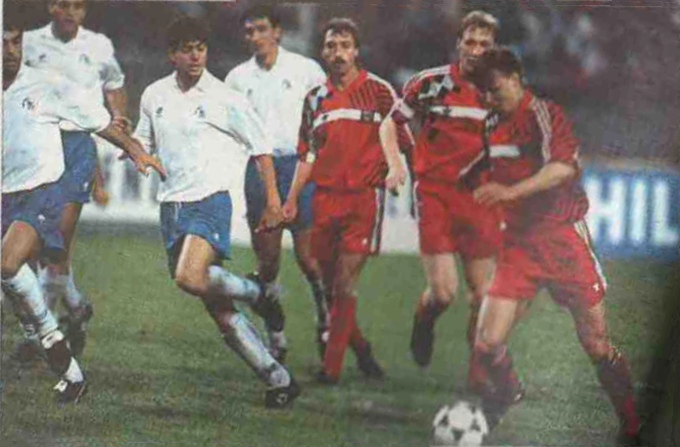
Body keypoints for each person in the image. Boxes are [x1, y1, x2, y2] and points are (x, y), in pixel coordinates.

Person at [468, 47, 640, 445]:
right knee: (487, 343)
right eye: (484, 92)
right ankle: (509, 390)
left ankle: (632, 425)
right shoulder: (491, 123)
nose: (490, 98)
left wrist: (510, 191)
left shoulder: (544, 114)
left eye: (495, 89)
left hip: (562, 240)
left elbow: (561, 168)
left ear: (516, 78)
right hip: (519, 246)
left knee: (596, 344)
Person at [133, 16, 299, 408]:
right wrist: (138, 153)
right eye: (187, 49)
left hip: (210, 200)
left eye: (201, 48)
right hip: (171, 206)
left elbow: (261, 147)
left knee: (189, 277)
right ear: (172, 55)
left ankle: (256, 292)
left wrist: (273, 201)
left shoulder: (225, 97)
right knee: (218, 308)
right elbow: (142, 140)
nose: (195, 56)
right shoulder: (154, 95)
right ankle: (278, 378)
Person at [2, 12, 163, 405]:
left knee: (9, 264)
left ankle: (52, 341)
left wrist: (136, 151)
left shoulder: (45, 85)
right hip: (6, 194)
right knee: (15, 282)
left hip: (42, 191)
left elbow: (98, 122)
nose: (10, 50)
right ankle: (68, 367)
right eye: (3, 42)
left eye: (16, 41)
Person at [283, 18, 412, 383]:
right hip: (323, 201)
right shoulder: (315, 99)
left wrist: (397, 168)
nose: (338, 53)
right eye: (331, 46)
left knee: (343, 284)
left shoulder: (378, 91)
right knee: (329, 288)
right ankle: (362, 350)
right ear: (322, 52)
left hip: (362, 201)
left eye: (344, 46)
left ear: (356, 51)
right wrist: (291, 199)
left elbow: (404, 138)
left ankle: (331, 368)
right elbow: (307, 154)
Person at [380, 11, 503, 375]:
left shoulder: (501, 91)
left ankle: (477, 374)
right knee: (444, 293)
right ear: (458, 44)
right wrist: (396, 164)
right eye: (470, 42)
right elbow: (391, 124)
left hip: (480, 200)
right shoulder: (432, 83)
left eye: (484, 44)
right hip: (435, 195)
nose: (476, 50)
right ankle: (424, 321)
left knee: (483, 295)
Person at [19, 0, 131, 358]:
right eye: (64, 4)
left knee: (56, 244)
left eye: (78, 6)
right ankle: (77, 307)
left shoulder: (98, 45)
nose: (71, 12)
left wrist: (118, 116)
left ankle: (40, 336)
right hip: (36, 147)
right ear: (51, 7)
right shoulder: (28, 43)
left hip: (77, 148)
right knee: (34, 247)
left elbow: (114, 84)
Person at [224, 5, 328, 362]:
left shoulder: (306, 70)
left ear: (277, 32)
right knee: (267, 263)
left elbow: (324, 118)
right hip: (259, 169)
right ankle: (276, 336)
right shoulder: (237, 78)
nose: (255, 37)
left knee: (310, 259)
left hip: (299, 166)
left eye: (261, 29)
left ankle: (325, 322)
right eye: (249, 31)